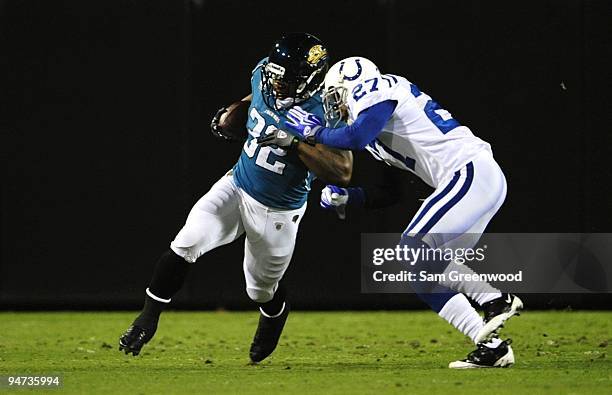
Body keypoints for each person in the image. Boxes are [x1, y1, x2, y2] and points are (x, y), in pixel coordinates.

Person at [261, 56, 523, 368]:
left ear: (352, 87)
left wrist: (313, 134)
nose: (335, 107)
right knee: (423, 274)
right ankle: (491, 347)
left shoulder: (379, 89)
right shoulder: (379, 130)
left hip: (470, 171)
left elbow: (355, 137)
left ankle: (496, 299)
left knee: (412, 247)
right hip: (472, 181)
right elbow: (391, 192)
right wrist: (350, 198)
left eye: (335, 97)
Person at [118, 33, 352, 363]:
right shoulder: (265, 76)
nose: (276, 82)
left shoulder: (325, 109)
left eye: (286, 77)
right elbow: (254, 98)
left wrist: (294, 144)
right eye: (275, 73)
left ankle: (274, 314)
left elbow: (342, 171)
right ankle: (147, 318)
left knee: (259, 290)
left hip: (278, 211)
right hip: (237, 183)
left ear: (309, 78)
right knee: (188, 240)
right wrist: (233, 113)